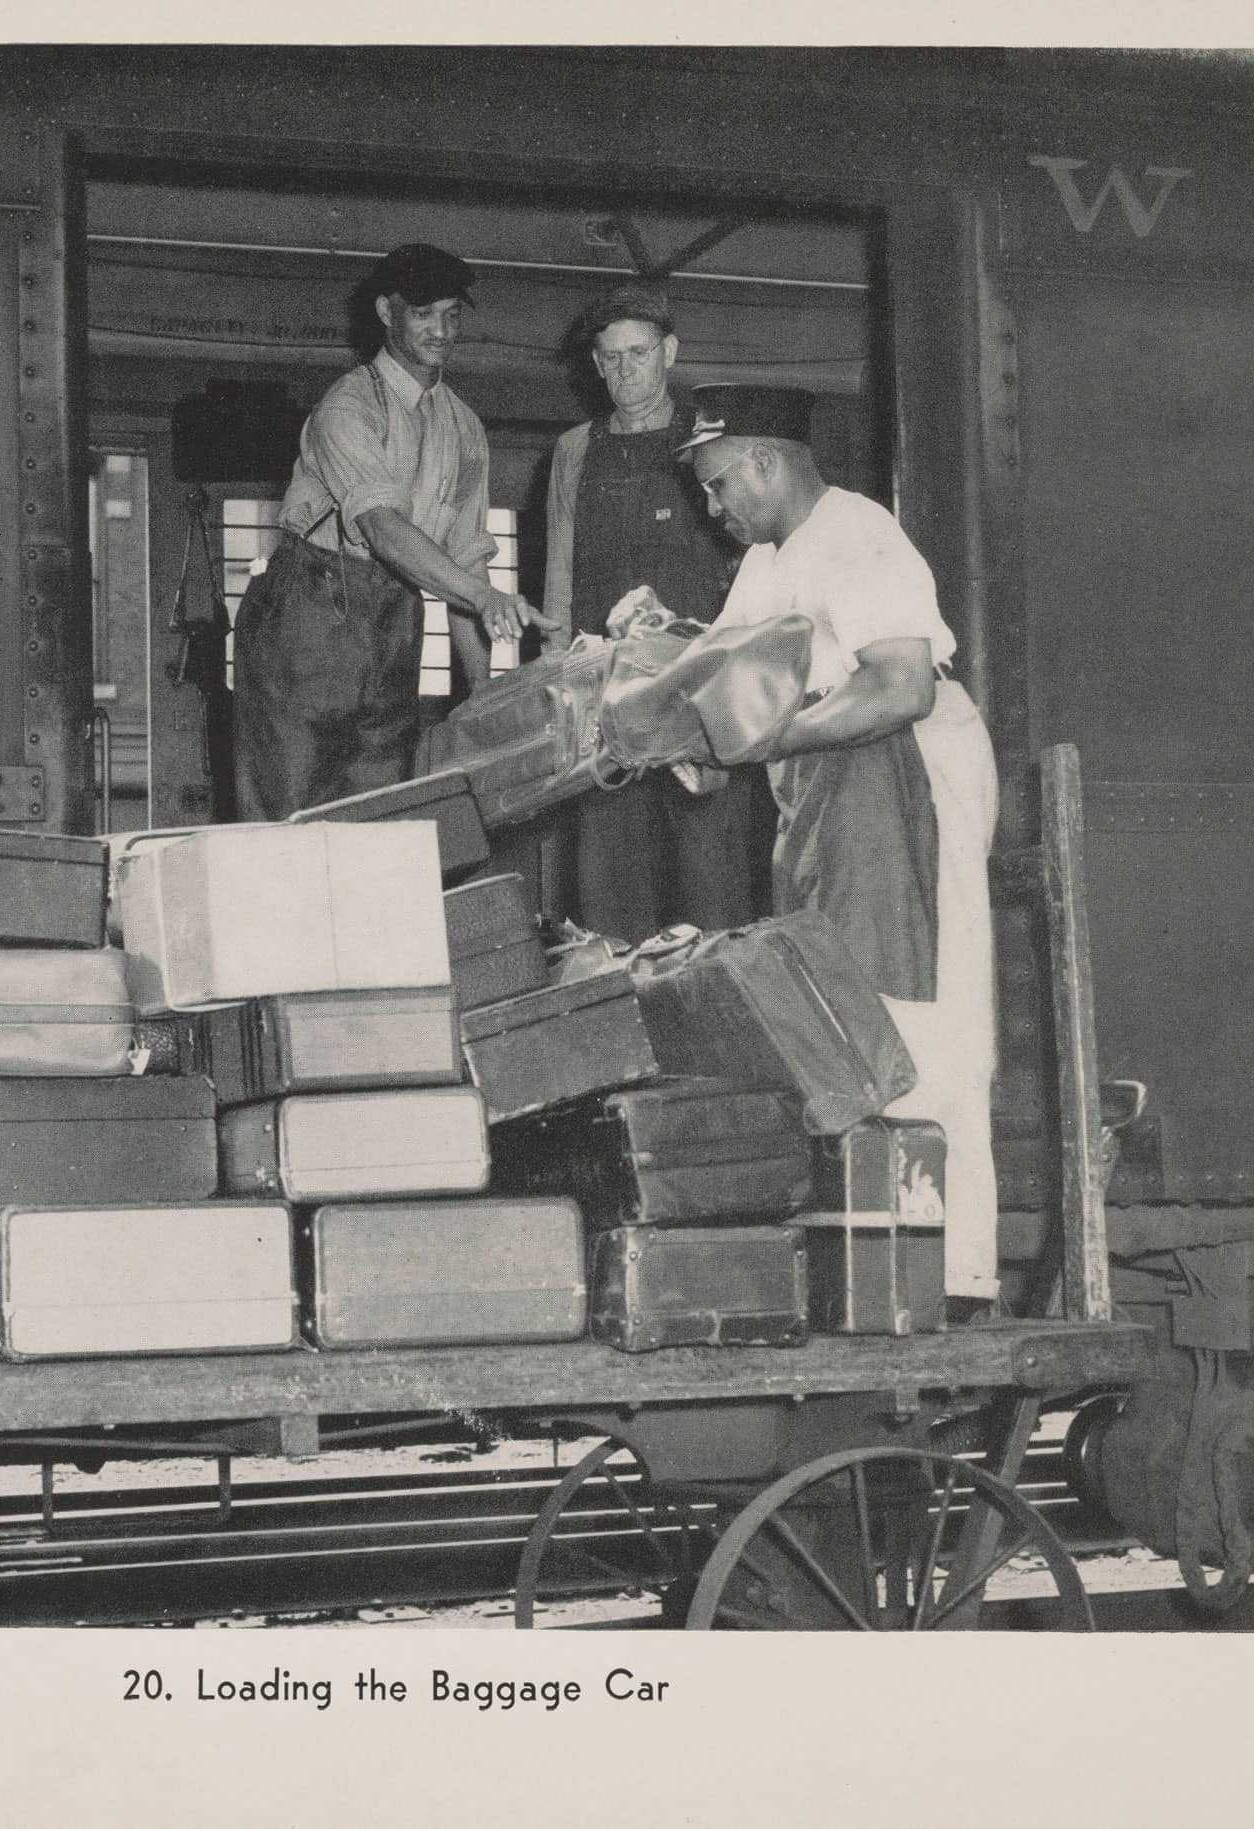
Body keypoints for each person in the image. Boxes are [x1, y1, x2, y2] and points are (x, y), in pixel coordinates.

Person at [643, 383, 1002, 1303]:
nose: (713, 510)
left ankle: (947, 1275)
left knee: (915, 1014)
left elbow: (900, 687)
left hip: (901, 781)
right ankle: (871, 1261)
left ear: (764, 460)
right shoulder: (769, 560)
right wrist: (654, 672)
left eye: (720, 485)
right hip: (828, 794)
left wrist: (764, 739)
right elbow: (718, 697)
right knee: (838, 1009)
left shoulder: (857, 535)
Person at [233, 242, 559, 821]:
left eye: (452, 315)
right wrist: (479, 595)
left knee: (380, 812)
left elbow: (466, 565)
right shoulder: (349, 406)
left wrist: (482, 692)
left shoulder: (464, 427)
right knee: (289, 820)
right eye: (423, 313)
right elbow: (384, 530)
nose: (441, 330)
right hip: (310, 609)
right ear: (387, 313)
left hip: (395, 615)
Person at [543, 282, 760, 939]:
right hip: (607, 707)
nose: (623, 371)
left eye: (637, 354)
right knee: (610, 893)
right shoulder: (574, 449)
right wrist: (558, 693)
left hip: (698, 704)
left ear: (669, 352)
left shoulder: (710, 440)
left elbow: (754, 566)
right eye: (609, 359)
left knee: (711, 888)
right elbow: (559, 574)